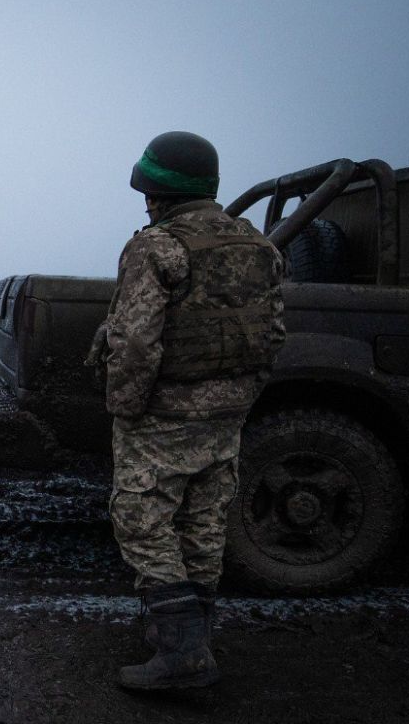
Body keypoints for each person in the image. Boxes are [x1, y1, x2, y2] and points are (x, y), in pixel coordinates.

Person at [87, 131, 285, 690]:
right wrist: (240, 396)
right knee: (203, 520)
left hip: (164, 413)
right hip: (228, 412)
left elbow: (134, 342)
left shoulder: (157, 247)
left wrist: (124, 410)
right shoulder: (258, 245)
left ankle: (181, 653)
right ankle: (192, 635)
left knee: (142, 518)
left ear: (155, 188)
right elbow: (273, 334)